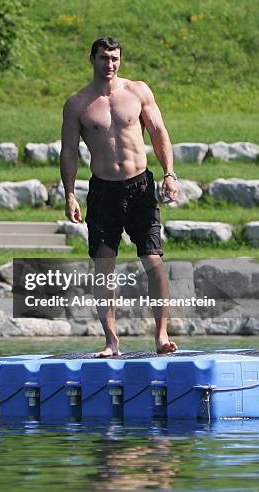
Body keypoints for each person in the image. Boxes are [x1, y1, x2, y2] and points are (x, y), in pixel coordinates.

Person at [60, 36, 179, 356]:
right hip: (103, 191)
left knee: (153, 261)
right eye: (103, 58)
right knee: (104, 265)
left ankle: (161, 335)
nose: (109, 64)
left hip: (140, 188)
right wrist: (69, 194)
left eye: (114, 58)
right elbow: (69, 151)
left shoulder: (138, 92)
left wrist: (169, 174)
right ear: (92, 59)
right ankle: (111, 341)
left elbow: (158, 132)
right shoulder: (78, 104)